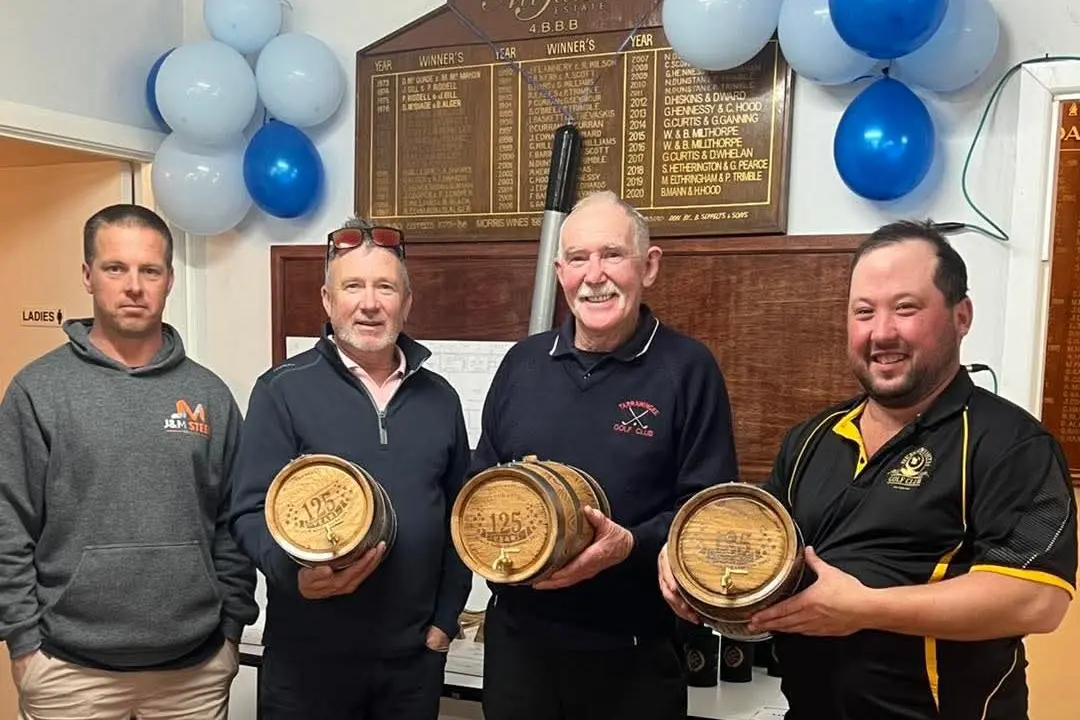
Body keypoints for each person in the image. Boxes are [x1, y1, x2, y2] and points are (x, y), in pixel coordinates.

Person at [660, 220, 1078, 719]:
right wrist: (691, 569)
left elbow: (1035, 599)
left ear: (961, 315)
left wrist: (862, 608)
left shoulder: (1011, 444)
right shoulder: (810, 439)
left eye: (906, 308)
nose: (881, 332)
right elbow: (766, 557)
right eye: (864, 312)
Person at [471, 190, 740, 720]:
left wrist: (630, 546)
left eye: (612, 254)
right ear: (559, 271)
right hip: (519, 655)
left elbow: (709, 518)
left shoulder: (688, 369)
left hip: (635, 659)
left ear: (649, 265)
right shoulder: (521, 365)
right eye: (578, 258)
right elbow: (483, 482)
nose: (594, 275)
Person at [0, 204, 258, 719]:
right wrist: (24, 643)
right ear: (88, 276)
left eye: (150, 270)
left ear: (169, 281)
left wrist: (232, 629)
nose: (133, 285)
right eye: (115, 268)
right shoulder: (38, 390)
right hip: (69, 673)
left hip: (194, 671)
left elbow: (234, 522)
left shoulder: (209, 394)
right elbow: (9, 523)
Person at [229, 218, 472, 720]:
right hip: (307, 666)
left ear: (406, 301)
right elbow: (249, 512)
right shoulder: (281, 391)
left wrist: (445, 620)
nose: (369, 303)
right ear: (327, 299)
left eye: (385, 287)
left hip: (411, 667)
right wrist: (292, 576)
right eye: (353, 286)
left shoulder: (440, 399)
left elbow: (460, 518)